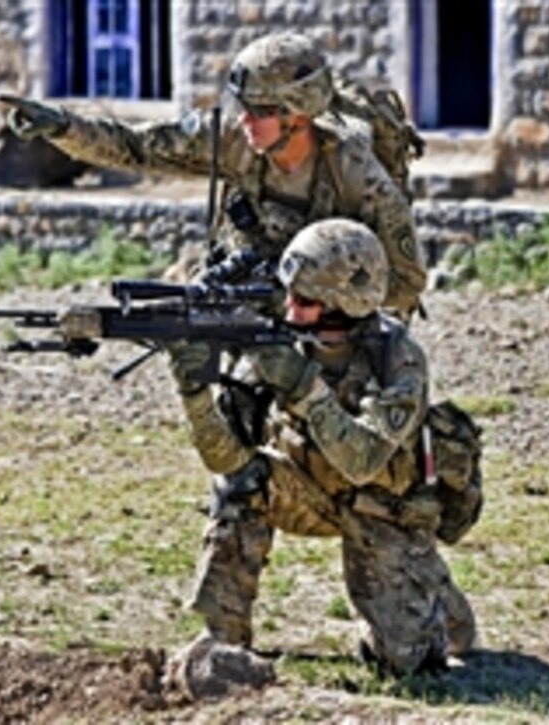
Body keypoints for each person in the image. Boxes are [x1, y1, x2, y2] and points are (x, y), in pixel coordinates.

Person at [164, 218, 476, 679]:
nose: (290, 309)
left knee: (405, 664)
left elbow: (363, 461)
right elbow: (228, 461)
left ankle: (436, 593)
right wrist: (195, 398)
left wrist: (301, 385)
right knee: (242, 486)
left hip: (384, 511)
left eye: (305, 301)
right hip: (305, 490)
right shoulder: (279, 341)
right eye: (289, 294)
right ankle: (224, 638)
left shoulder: (397, 359)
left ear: (342, 304)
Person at [2, 32, 426, 318]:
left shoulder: (356, 172)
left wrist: (323, 300)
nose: (243, 120)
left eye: (258, 111)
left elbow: (407, 283)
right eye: (242, 106)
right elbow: (135, 147)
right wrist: (62, 128)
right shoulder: (231, 139)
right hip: (249, 296)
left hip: (335, 318)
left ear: (296, 115)